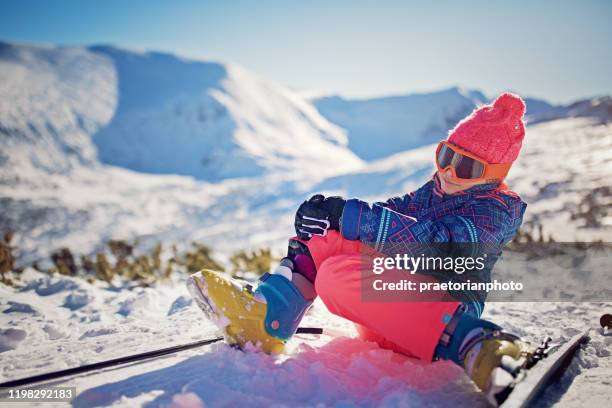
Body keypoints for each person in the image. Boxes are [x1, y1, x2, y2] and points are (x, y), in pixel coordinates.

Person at [188, 92, 533, 404]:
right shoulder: (435, 190)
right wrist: (331, 219)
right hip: (390, 318)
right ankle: (268, 317)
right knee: (328, 238)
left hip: (439, 317)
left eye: (466, 165)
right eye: (445, 154)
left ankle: (477, 345)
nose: (448, 170)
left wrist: (353, 217)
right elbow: (387, 218)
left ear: (493, 174)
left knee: (336, 276)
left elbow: (436, 247)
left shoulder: (496, 210)